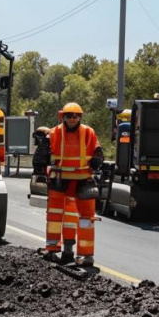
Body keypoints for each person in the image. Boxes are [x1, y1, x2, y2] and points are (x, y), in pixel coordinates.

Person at [43, 103, 104, 266]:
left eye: (75, 116)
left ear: (80, 117)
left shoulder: (88, 132)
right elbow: (43, 154)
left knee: (86, 220)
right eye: (68, 116)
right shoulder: (54, 132)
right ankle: (52, 249)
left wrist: (97, 161)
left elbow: (98, 153)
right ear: (62, 116)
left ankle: (86, 255)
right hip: (60, 180)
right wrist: (40, 172)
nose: (71, 119)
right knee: (55, 216)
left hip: (83, 181)